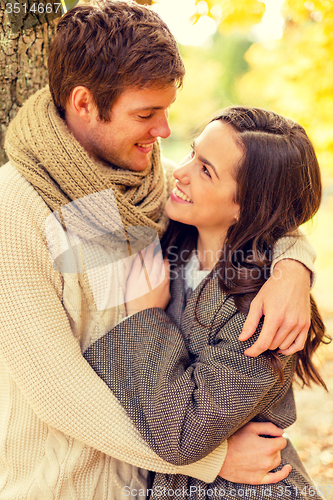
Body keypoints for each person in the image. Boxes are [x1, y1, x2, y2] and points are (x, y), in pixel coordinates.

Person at [0, 0, 316, 497]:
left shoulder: (142, 183)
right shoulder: (18, 207)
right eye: (147, 114)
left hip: (147, 484)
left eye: (167, 112)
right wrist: (211, 458)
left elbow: (255, 210)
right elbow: (57, 391)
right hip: (67, 483)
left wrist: (294, 265)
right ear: (84, 104)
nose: (165, 132)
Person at [84, 106, 329, 499]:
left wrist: (147, 314)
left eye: (205, 170)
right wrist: (297, 258)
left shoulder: (262, 315)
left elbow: (182, 434)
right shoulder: (173, 238)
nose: (179, 171)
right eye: (192, 153)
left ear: (248, 206)